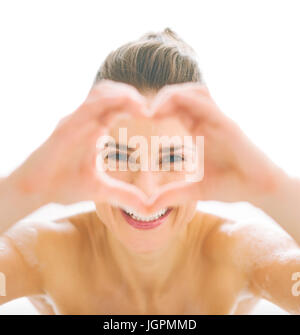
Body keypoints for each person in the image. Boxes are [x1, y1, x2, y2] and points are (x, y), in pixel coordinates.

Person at [0, 28, 299, 315]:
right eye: (118, 154)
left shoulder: (239, 253)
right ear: (91, 158)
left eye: (172, 158)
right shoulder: (45, 254)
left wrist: (271, 189)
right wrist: (23, 191)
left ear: (201, 162)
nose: (146, 187)